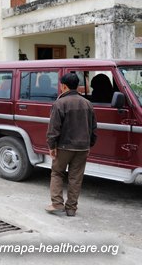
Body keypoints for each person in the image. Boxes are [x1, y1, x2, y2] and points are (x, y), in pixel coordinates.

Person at [46, 73, 97, 217]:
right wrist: (89, 144)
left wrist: (51, 146)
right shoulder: (87, 103)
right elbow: (94, 127)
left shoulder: (60, 103)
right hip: (83, 147)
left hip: (64, 147)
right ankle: (71, 209)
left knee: (57, 173)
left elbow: (53, 128)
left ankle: (57, 204)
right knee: (76, 178)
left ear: (63, 86)